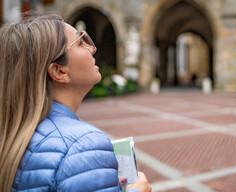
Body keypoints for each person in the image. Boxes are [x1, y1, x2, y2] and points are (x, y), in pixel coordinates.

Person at [0, 13, 152, 192]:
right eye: (80, 42)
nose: (92, 48)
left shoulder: (11, 133)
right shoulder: (83, 144)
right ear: (59, 71)